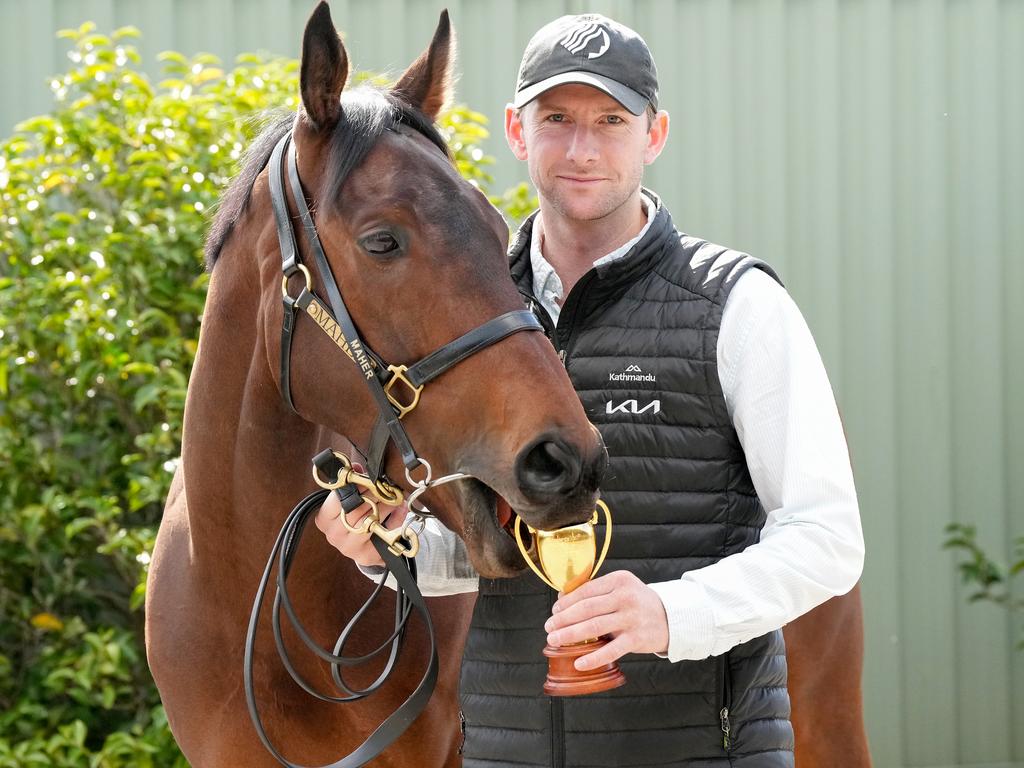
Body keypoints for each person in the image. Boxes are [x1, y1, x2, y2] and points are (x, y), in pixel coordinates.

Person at [316, 13, 864, 767]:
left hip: (703, 751)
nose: (582, 148)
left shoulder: (738, 306)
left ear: (655, 135)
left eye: (611, 120)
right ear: (516, 130)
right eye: (556, 119)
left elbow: (829, 542)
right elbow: (492, 552)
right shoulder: (464, 310)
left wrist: (669, 613)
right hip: (505, 752)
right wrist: (390, 545)